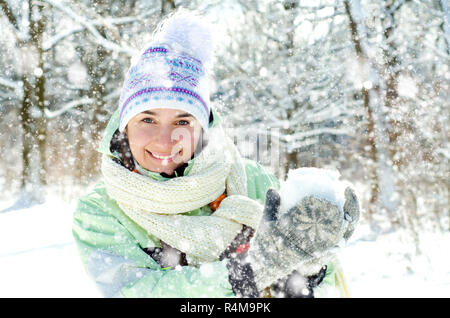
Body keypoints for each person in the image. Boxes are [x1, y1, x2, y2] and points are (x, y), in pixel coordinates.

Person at [72, 10, 358, 298]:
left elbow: (324, 288)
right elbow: (136, 292)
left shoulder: (254, 181)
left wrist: (311, 267)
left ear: (202, 127)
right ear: (125, 126)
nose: (164, 141)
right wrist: (254, 268)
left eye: (183, 122)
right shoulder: (101, 211)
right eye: (148, 120)